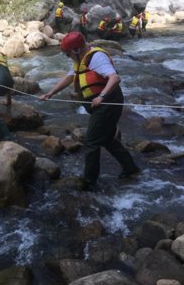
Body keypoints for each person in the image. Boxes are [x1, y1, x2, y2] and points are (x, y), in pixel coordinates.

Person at [39, 31, 140, 191]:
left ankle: (89, 181)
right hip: (100, 105)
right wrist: (51, 93)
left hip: (108, 103)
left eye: (67, 54)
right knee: (106, 139)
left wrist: (101, 96)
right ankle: (131, 168)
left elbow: (114, 78)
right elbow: (70, 77)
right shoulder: (80, 59)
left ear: (77, 50)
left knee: (91, 142)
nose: (67, 57)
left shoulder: (97, 58)